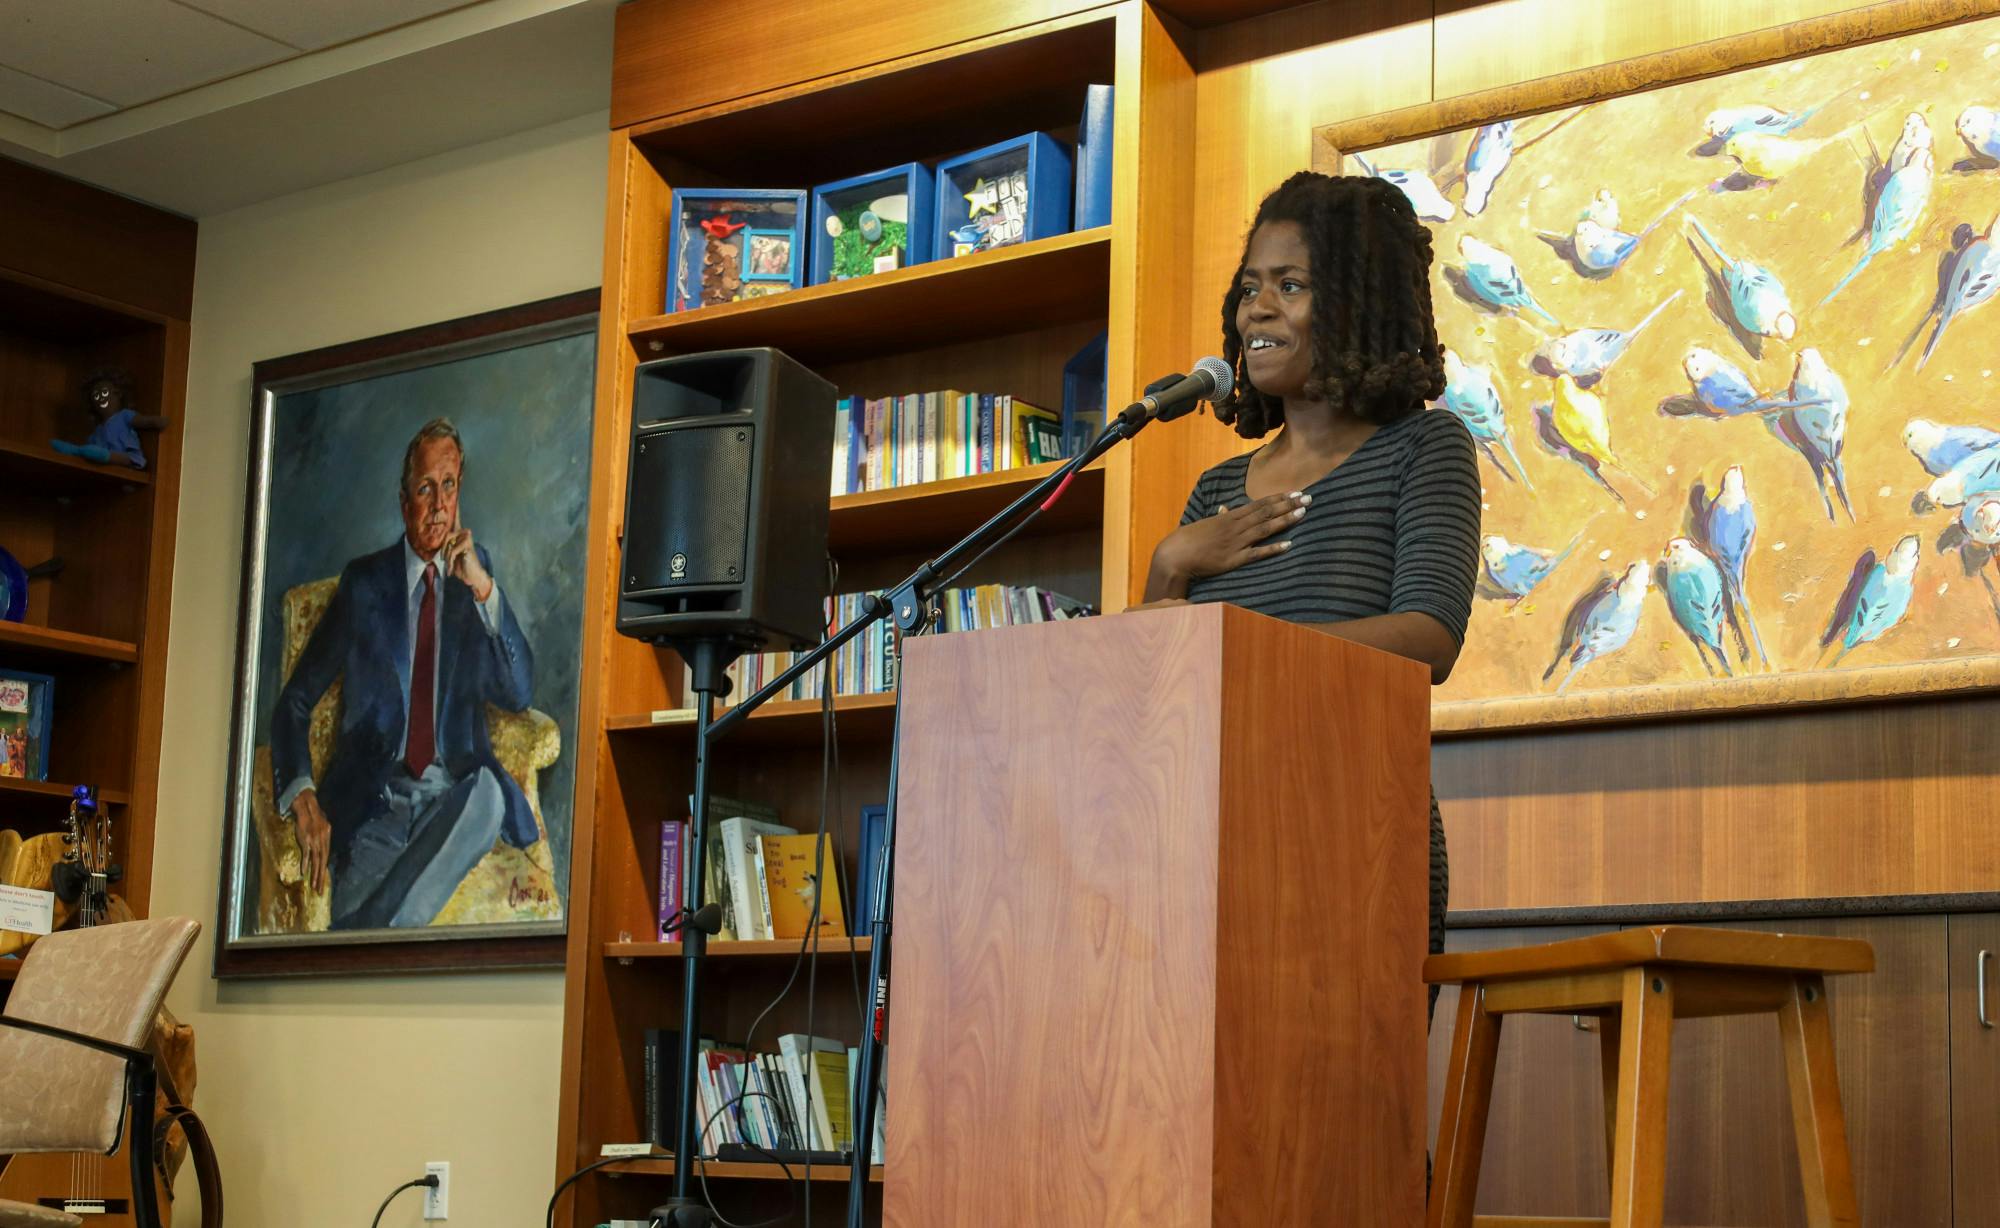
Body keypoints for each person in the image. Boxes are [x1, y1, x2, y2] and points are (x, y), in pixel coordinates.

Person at [1140, 171, 1481, 1008]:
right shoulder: (1217, 496)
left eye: (1290, 286)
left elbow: (1429, 637)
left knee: (1351, 1108)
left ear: (1361, 306)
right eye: (1250, 288)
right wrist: (1170, 561)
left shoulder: (1425, 450)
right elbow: (1152, 677)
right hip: (1210, 832)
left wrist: (1245, 651)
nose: (1257, 310)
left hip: (1356, 828)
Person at [271, 418, 540, 930]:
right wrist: (302, 792)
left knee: (486, 795)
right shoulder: (365, 585)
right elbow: (295, 701)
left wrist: (484, 592)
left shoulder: (474, 576)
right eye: (424, 488)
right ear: (403, 502)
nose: (439, 504)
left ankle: (372, 934)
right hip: (375, 809)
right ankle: (379, 927)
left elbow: (519, 693)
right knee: (353, 913)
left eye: (449, 486)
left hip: (453, 802)